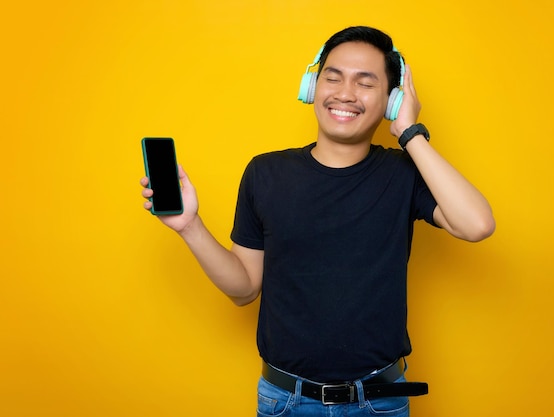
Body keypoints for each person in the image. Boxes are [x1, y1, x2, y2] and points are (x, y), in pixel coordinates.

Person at [140, 26, 495, 417]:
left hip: (380, 402)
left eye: (365, 83)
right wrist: (189, 226)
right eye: (333, 76)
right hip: (286, 401)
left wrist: (409, 132)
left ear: (391, 101)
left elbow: (476, 224)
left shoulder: (404, 173)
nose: (344, 93)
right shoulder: (265, 172)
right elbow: (243, 289)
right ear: (312, 85)